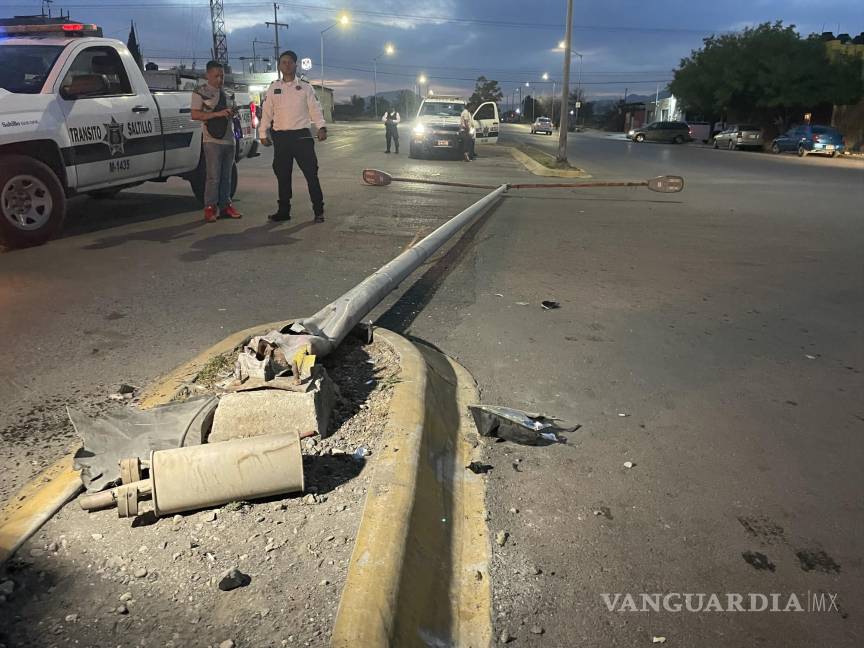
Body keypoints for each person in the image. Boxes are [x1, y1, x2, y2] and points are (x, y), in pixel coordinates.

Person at [259, 50, 327, 223]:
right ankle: (283, 211)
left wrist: (321, 127)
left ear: (296, 64)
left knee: (311, 174)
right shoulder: (274, 87)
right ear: (279, 66)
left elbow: (315, 109)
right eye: (283, 62)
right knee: (282, 175)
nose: (287, 65)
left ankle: (318, 210)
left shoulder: (305, 87)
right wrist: (262, 132)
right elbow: (267, 112)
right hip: (281, 138)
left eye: (290, 62)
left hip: (301, 138)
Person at [190, 60, 242, 223]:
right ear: (207, 75)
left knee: (227, 176)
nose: (220, 79)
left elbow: (232, 111)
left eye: (222, 76)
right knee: (213, 176)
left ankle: (226, 206)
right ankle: (210, 207)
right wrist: (217, 114)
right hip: (212, 140)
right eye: (216, 76)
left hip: (229, 139)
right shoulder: (200, 92)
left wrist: (233, 114)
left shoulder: (228, 92)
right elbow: (195, 115)